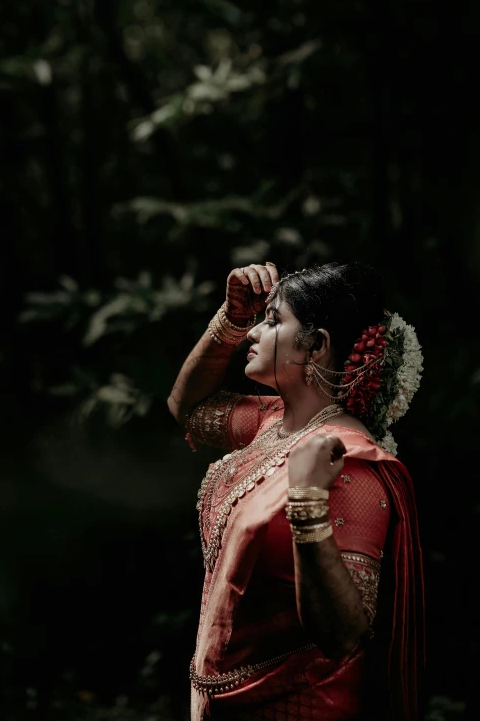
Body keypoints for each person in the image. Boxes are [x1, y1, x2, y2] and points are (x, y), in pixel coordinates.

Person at [167, 262, 424, 721]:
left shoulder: (347, 462)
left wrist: (308, 501)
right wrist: (230, 318)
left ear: (318, 345)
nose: (254, 334)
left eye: (272, 320)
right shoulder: (271, 424)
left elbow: (342, 634)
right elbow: (185, 407)